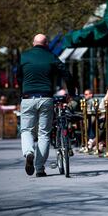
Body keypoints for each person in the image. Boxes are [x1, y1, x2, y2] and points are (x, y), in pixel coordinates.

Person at [17, 34, 74, 177]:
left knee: (26, 130)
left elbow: (18, 75)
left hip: (28, 97)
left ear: (33, 43)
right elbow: (66, 74)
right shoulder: (51, 56)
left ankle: (29, 152)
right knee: (44, 133)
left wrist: (22, 91)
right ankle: (40, 168)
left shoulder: (24, 56)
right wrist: (71, 92)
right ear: (47, 44)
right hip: (46, 98)